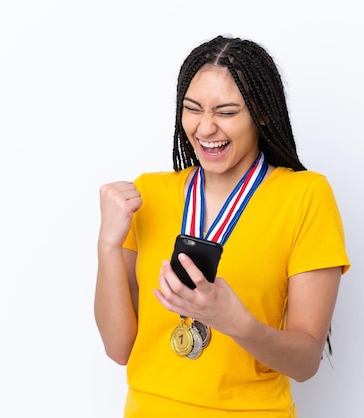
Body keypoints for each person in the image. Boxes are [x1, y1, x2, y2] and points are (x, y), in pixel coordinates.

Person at [94, 35, 350, 417]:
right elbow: (119, 349)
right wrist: (108, 246)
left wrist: (236, 323)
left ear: (261, 114)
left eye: (226, 112)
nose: (205, 128)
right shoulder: (147, 194)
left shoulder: (305, 196)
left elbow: (306, 362)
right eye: (192, 109)